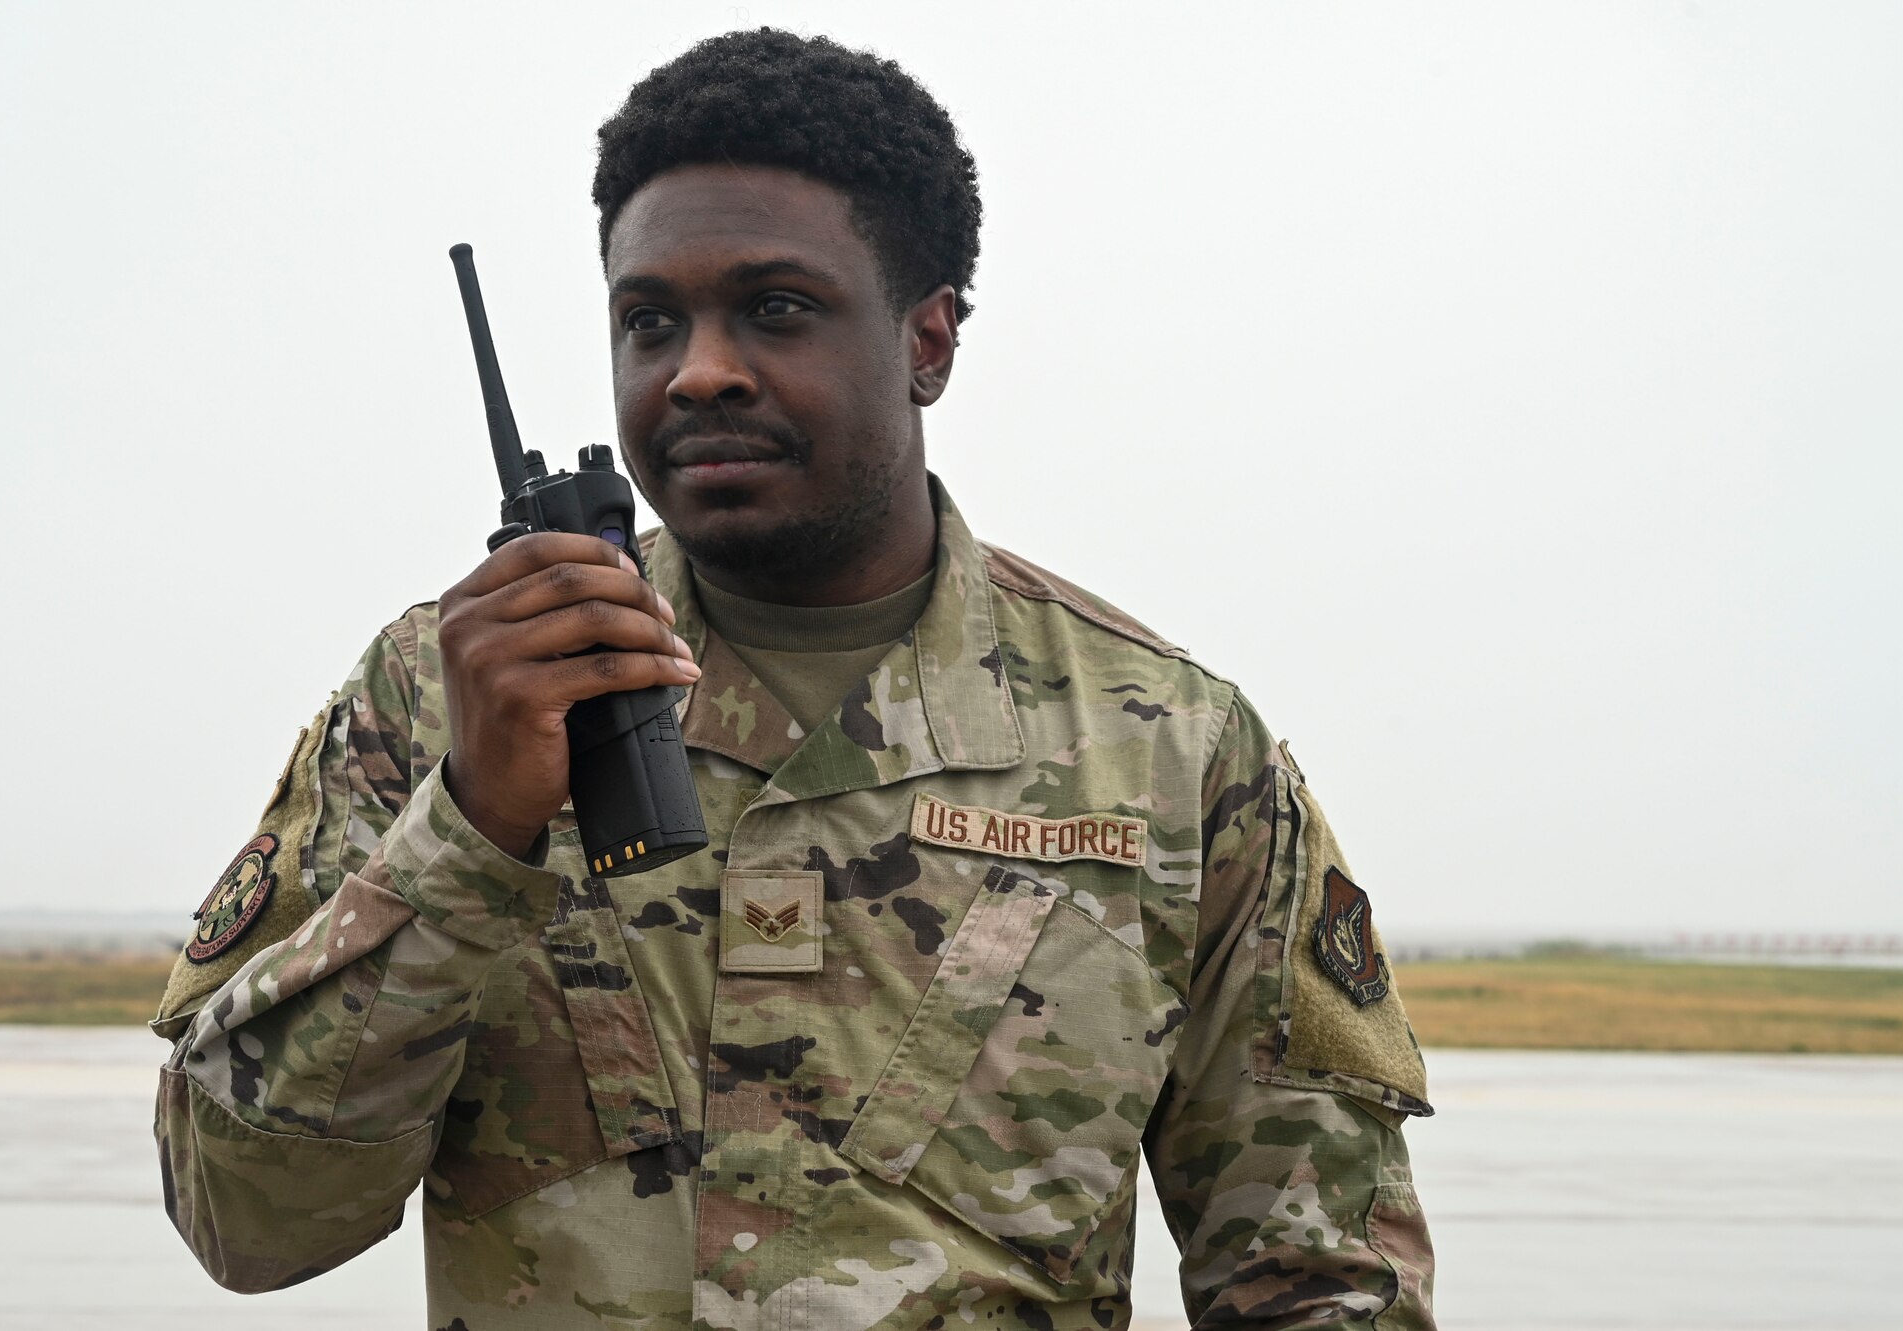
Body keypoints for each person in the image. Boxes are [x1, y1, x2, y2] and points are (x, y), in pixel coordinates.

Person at [152, 28, 1437, 1330]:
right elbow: (246, 1225)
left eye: (775, 309)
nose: (700, 368)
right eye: (650, 321)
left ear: (929, 340)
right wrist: (474, 829)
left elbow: (1324, 1283)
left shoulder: (1170, 750)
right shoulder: (442, 696)